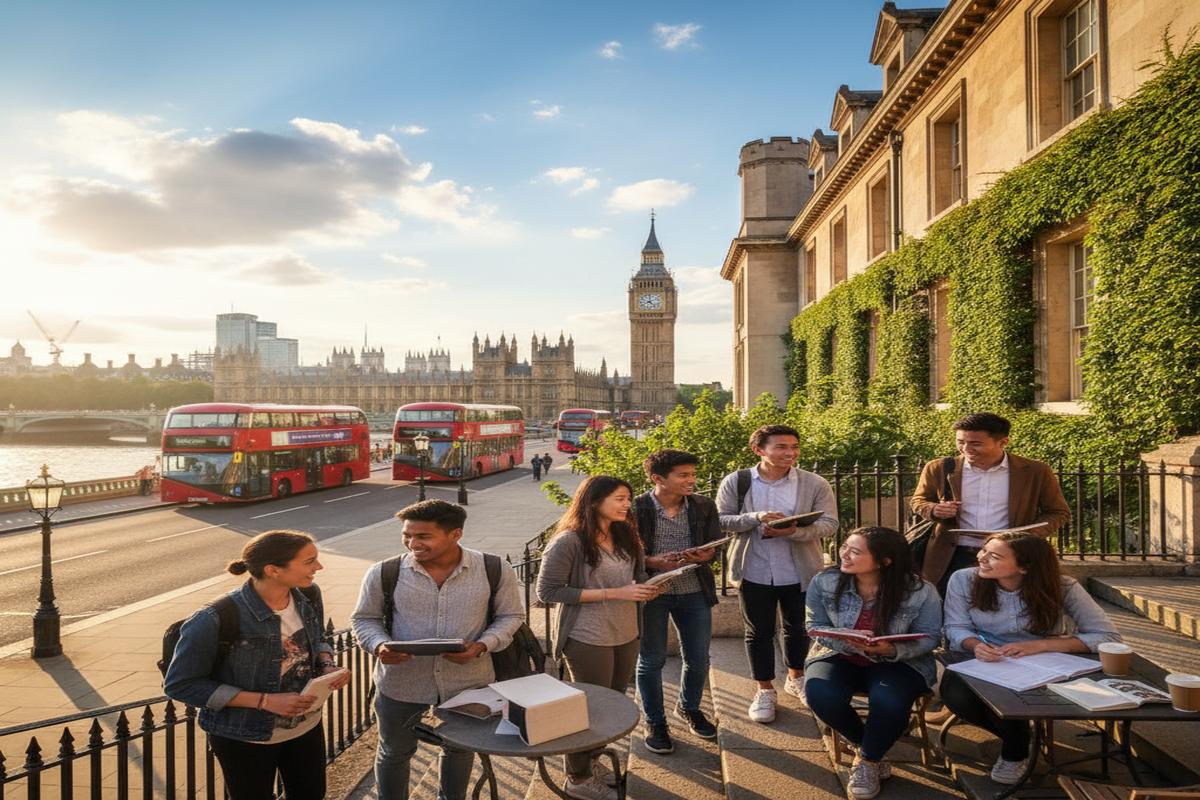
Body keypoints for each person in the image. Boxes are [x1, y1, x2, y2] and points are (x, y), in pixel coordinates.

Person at [351, 500, 524, 800]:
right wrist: (379, 646)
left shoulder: (494, 568)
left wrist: (482, 645)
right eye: (407, 535)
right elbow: (363, 619)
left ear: (455, 534)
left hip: (468, 684)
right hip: (401, 684)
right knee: (393, 752)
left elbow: (511, 616)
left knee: (458, 750)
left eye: (423, 536)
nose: (412, 543)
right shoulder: (384, 572)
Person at [164, 531, 350, 800]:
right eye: (310, 561)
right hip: (244, 735)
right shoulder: (214, 618)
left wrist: (327, 664)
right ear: (273, 570)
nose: (318, 567)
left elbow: (318, 637)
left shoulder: (308, 595)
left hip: (305, 726)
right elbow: (180, 685)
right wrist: (265, 701)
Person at [940, 532, 1121, 785]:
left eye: (994, 556)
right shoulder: (963, 580)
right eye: (983, 551)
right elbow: (955, 626)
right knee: (956, 695)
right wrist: (976, 645)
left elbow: (1108, 637)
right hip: (985, 658)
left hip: (1047, 661)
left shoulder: (1063, 586)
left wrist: (1041, 645)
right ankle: (1021, 740)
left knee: (1023, 700)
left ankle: (1015, 752)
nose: (982, 558)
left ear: (1024, 567)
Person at [536, 476, 663, 800]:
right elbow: (548, 591)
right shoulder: (569, 541)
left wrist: (651, 583)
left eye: (627, 498)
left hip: (626, 632)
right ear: (594, 501)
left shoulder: (626, 534)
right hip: (586, 636)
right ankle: (576, 778)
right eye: (619, 498)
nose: (626, 505)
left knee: (611, 703)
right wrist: (615, 593)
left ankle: (592, 762)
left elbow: (637, 577)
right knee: (587, 709)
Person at [804, 528, 942, 799]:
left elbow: (931, 637)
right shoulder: (825, 581)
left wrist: (891, 648)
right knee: (820, 694)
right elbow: (814, 626)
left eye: (855, 551)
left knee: (889, 701)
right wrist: (850, 643)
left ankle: (867, 761)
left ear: (884, 561)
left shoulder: (920, 591)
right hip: (839, 655)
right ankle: (866, 744)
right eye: (845, 547)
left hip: (899, 661)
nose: (845, 554)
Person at [716, 424, 839, 724]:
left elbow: (830, 524)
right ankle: (764, 689)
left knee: (798, 627)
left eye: (794, 446)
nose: (790, 453)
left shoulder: (815, 483)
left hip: (801, 570)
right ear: (759, 450)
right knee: (758, 631)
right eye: (782, 447)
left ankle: (796, 677)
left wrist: (796, 531)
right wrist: (755, 518)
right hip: (754, 568)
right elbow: (721, 520)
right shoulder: (738, 481)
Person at [910, 412, 1071, 595]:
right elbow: (918, 501)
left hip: (1010, 555)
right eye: (961, 442)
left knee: (1008, 608)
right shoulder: (939, 467)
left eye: (975, 443)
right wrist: (934, 509)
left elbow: (1058, 512)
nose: (966, 448)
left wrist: (1026, 535)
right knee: (949, 609)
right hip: (952, 554)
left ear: (1003, 442)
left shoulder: (1035, 471)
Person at [633, 450, 722, 755]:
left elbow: (715, 547)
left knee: (699, 658)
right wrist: (652, 562)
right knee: (651, 660)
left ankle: (689, 707)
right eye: (683, 475)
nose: (691, 480)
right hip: (653, 593)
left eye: (693, 474)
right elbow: (622, 555)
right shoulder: (636, 508)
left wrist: (706, 554)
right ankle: (655, 721)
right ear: (658, 479)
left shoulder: (703, 505)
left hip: (694, 590)